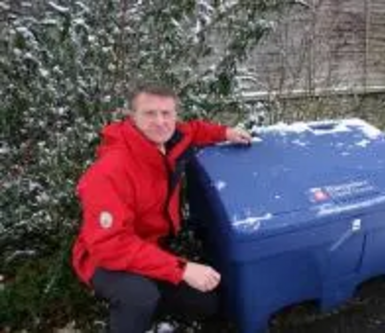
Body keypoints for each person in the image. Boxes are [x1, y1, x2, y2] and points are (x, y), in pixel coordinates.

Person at [71, 83, 252, 333]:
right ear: (132, 116)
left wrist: (226, 132)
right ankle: (131, 311)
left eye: (166, 113)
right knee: (139, 296)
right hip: (104, 259)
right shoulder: (110, 171)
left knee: (205, 302)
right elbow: (109, 246)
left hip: (151, 248)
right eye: (149, 113)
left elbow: (195, 131)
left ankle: (156, 312)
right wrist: (182, 269)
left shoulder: (172, 139)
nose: (160, 121)